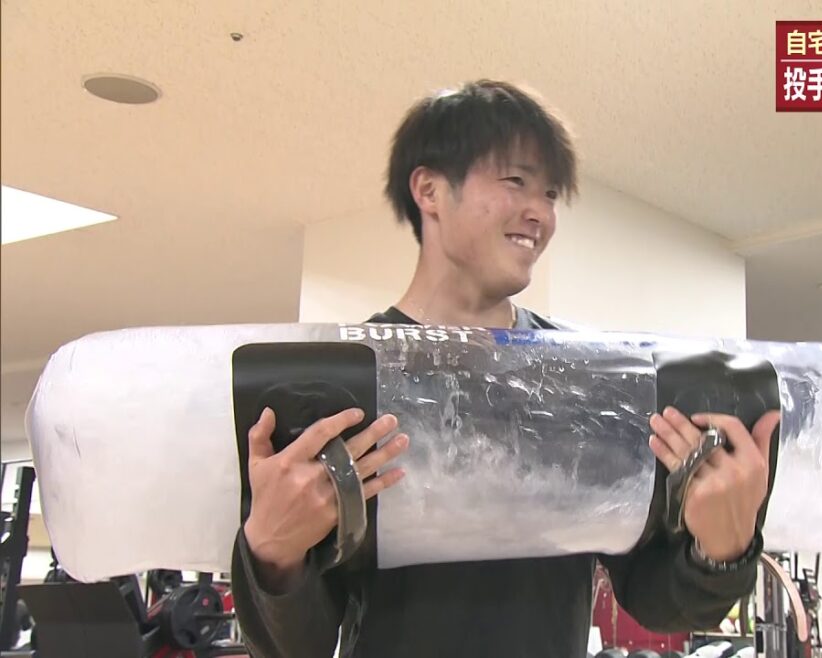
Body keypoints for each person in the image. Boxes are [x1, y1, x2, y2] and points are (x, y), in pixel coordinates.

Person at [230, 79, 781, 658]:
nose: (539, 213)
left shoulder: (586, 382)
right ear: (430, 190)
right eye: (515, 182)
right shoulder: (342, 383)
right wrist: (272, 551)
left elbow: (653, 599)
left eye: (550, 194)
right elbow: (297, 647)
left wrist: (722, 550)